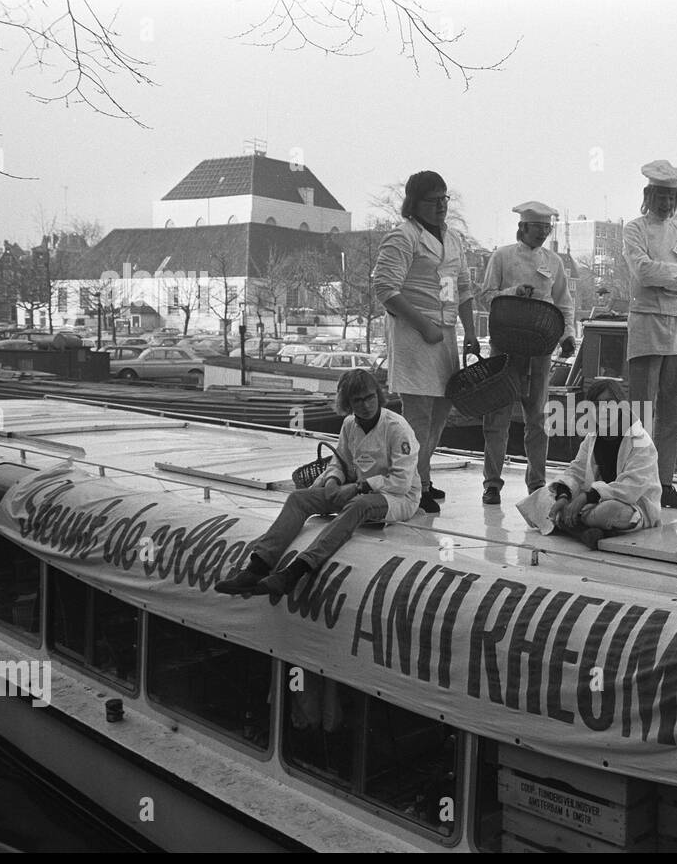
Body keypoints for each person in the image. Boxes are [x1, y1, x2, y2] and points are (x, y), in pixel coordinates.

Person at [216, 369, 420, 598]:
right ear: (348, 403)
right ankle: (257, 568)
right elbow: (340, 460)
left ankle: (295, 571)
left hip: (398, 497)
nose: (366, 405)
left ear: (378, 395)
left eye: (370, 397)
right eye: (358, 400)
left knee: (359, 505)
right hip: (359, 490)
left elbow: (401, 482)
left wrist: (358, 487)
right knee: (298, 499)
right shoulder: (349, 424)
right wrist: (333, 480)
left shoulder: (397, 428)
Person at [371, 171, 480, 515]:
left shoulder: (452, 240)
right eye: (432, 201)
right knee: (418, 415)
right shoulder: (403, 237)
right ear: (414, 204)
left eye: (444, 200)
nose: (440, 207)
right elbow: (386, 290)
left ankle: (422, 477)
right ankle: (415, 487)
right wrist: (424, 325)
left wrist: (470, 333)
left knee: (441, 411)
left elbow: (459, 288)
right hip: (415, 336)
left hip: (445, 335)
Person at [623, 159, 677, 511]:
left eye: (671, 196)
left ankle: (666, 483)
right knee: (643, 407)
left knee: (673, 410)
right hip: (646, 322)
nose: (666, 202)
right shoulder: (634, 229)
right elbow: (642, 273)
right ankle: (639, 482)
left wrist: (670, 282)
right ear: (648, 195)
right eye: (659, 195)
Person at [480, 201, 577, 505]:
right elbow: (486, 296)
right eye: (537, 228)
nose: (543, 234)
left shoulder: (555, 262)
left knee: (537, 418)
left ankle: (536, 482)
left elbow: (563, 302)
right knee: (497, 417)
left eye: (547, 229)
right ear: (522, 227)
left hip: (539, 349)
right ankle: (492, 483)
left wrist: (568, 334)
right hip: (506, 348)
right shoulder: (502, 256)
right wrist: (511, 293)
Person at [547, 379, 661, 549]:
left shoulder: (640, 440)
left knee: (609, 512)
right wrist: (564, 497)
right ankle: (584, 529)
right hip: (592, 504)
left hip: (631, 506)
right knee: (541, 498)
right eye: (597, 405)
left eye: (609, 403)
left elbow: (630, 489)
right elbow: (576, 471)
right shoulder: (592, 436)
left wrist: (585, 498)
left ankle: (571, 524)